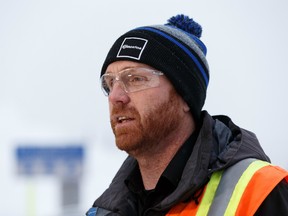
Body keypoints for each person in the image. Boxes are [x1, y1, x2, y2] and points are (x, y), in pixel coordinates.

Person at [86, 14, 288, 216]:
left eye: (136, 79)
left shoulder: (261, 191)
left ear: (184, 95)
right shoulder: (104, 211)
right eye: (110, 83)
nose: (115, 97)